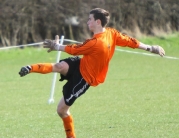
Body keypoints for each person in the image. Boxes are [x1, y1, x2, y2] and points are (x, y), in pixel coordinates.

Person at [19, 8, 165, 138]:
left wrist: (57, 46)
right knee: (59, 66)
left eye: (90, 19)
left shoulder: (97, 42)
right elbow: (130, 41)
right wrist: (151, 48)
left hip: (84, 78)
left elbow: (75, 49)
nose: (87, 22)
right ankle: (29, 68)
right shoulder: (111, 33)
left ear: (98, 21)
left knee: (61, 110)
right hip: (81, 64)